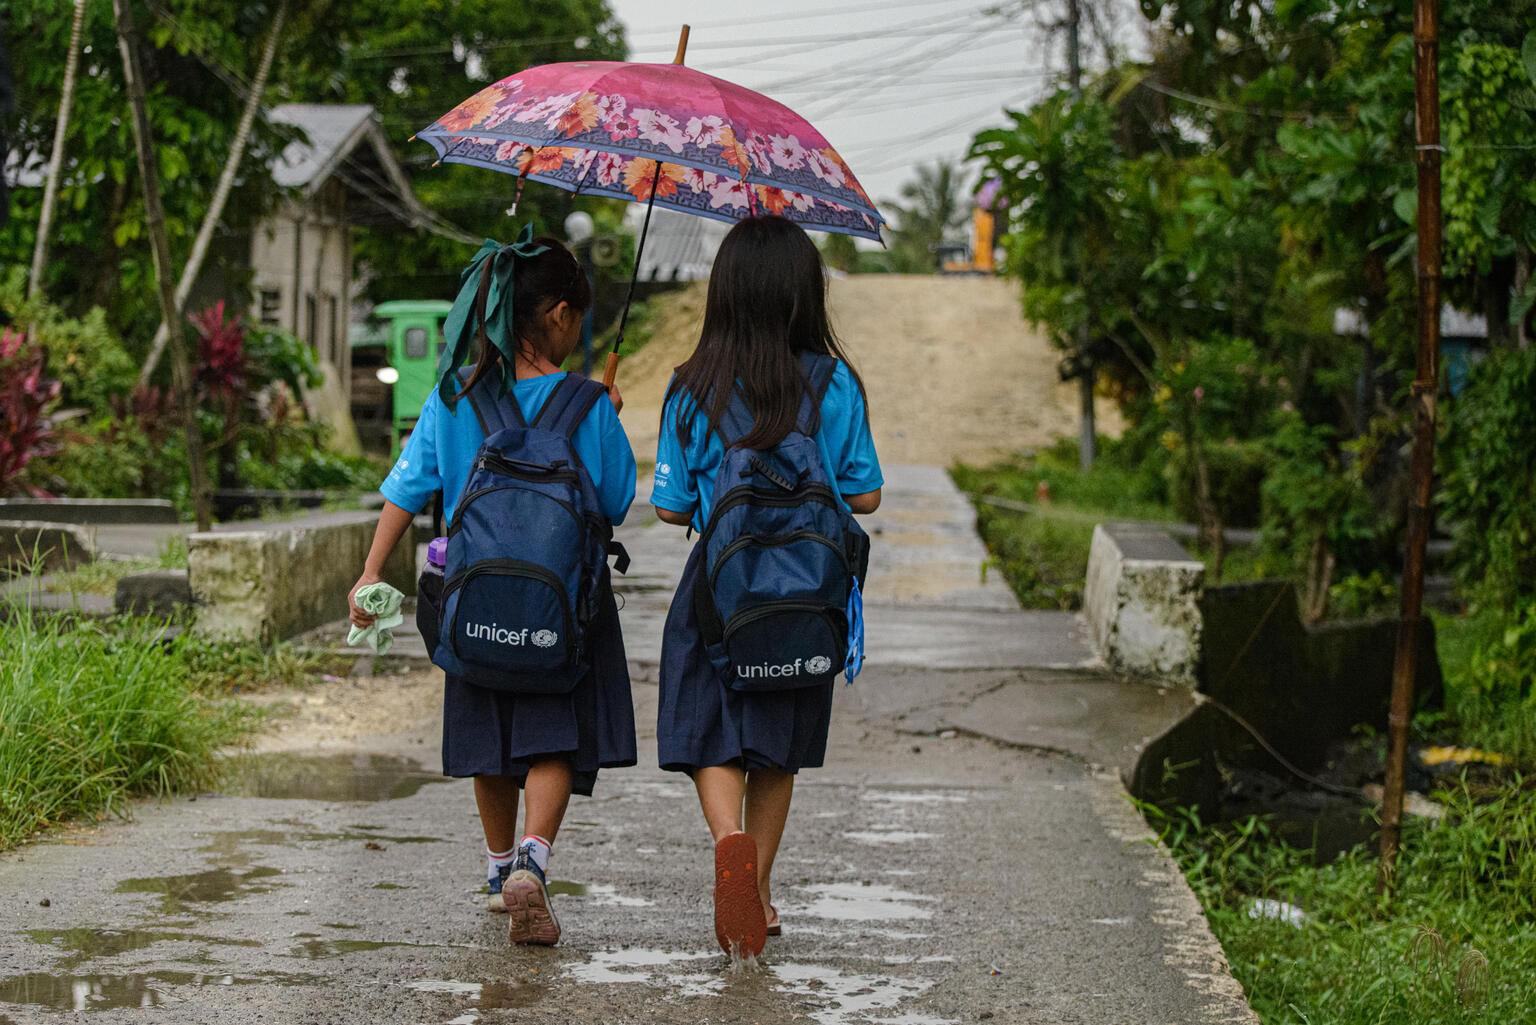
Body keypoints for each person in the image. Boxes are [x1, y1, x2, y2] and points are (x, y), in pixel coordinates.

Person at [348, 229, 636, 947]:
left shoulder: (457, 395)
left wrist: (372, 570)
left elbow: (408, 487)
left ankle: (497, 867)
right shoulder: (586, 403)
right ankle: (533, 865)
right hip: (563, 606)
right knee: (555, 739)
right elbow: (615, 497)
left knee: (488, 736)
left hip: (471, 600)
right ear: (561, 314)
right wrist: (606, 413)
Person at [649, 215, 883, 956]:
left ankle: (729, 842)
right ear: (803, 295)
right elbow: (866, 495)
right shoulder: (834, 381)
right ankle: (762, 890)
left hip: (717, 592)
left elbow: (670, 506)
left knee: (710, 731)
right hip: (804, 594)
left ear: (724, 294)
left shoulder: (692, 387)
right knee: (777, 746)